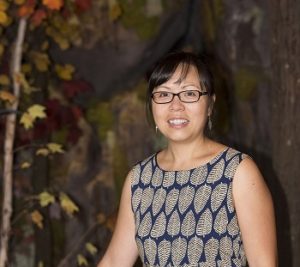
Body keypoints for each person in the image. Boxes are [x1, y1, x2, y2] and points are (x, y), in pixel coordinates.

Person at [98, 51, 277, 266]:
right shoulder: (139, 180)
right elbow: (113, 261)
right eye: (164, 94)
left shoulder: (237, 172)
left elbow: (263, 263)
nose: (176, 106)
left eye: (189, 93)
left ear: (210, 104)